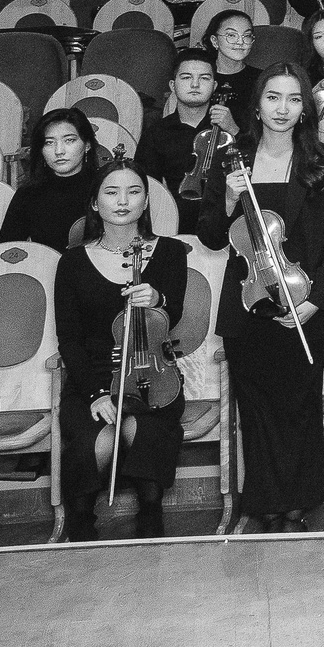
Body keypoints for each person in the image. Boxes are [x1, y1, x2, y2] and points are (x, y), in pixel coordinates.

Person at [199, 64, 324, 532]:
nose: (282, 109)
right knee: (257, 407)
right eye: (272, 98)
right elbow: (209, 234)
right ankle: (263, 499)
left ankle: (297, 501)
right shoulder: (232, 157)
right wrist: (226, 200)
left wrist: (315, 302)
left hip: (305, 300)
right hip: (248, 301)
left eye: (292, 99)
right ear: (258, 104)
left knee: (300, 405)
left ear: (305, 106)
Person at [53, 159, 189, 540]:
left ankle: (151, 517)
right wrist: (96, 394)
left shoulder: (171, 252)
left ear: (146, 201)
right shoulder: (73, 262)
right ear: (95, 203)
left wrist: (157, 297)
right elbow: (70, 338)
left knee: (142, 429)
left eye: (134, 192)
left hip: (152, 376)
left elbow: (172, 313)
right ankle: (81, 525)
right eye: (111, 192)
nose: (123, 201)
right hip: (91, 377)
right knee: (95, 441)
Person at [2, 108, 110, 249]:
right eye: (49, 143)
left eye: (69, 140)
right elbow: (6, 249)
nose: (59, 151)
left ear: (87, 145)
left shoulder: (106, 188)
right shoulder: (28, 194)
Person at [137, 48, 229, 192]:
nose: (195, 84)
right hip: (174, 212)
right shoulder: (156, 133)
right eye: (186, 77)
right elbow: (147, 187)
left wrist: (234, 131)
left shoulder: (229, 127)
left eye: (204, 78)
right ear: (173, 86)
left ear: (214, 86)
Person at [206, 9, 261, 121]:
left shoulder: (262, 79)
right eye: (231, 35)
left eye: (247, 35)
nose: (240, 42)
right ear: (215, 41)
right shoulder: (200, 76)